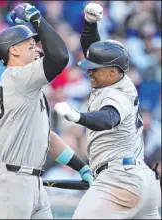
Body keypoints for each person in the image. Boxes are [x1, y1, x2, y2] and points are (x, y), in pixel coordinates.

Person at [0, 3, 94, 219]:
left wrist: (81, 167)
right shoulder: (18, 77)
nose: (39, 49)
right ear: (13, 50)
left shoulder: (29, 87)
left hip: (31, 182)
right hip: (11, 185)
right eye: (31, 45)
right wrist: (36, 18)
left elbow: (45, 138)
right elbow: (60, 57)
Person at [54, 3, 161, 219]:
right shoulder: (113, 78)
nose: (89, 72)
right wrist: (90, 25)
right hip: (140, 179)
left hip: (121, 179)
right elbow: (91, 50)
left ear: (112, 71)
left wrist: (78, 117)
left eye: (95, 70)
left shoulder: (117, 92)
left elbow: (108, 119)